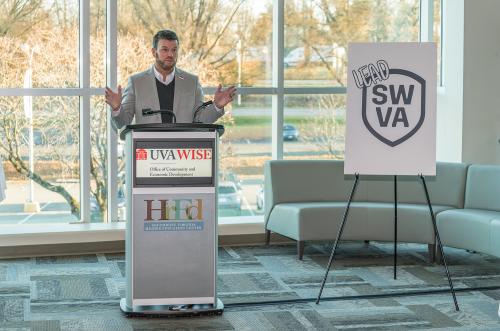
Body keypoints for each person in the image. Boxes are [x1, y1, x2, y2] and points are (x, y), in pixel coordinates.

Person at [105, 29, 236, 127]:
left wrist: (217, 106)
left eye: (174, 50)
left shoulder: (191, 82)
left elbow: (200, 120)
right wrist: (117, 109)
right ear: (153, 52)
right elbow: (122, 123)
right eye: (164, 50)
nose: (170, 54)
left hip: (182, 154)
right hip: (148, 155)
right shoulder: (136, 82)